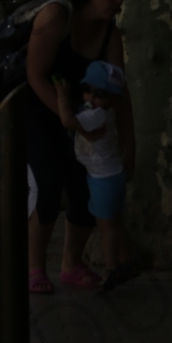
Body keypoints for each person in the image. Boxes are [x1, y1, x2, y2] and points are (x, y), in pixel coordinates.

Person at [24, 0, 132, 292]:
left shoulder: (110, 34)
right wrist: (67, 116)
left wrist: (129, 145)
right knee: (48, 185)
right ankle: (34, 268)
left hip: (79, 118)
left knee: (85, 186)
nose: (119, 2)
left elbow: (119, 90)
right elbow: (35, 74)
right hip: (39, 109)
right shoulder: (56, 16)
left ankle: (72, 263)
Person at [55, 61, 135, 292]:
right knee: (116, 223)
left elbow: (68, 121)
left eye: (100, 94)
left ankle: (111, 270)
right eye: (88, 90)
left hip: (104, 179)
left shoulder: (99, 115)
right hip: (110, 176)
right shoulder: (97, 110)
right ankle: (127, 262)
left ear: (113, 99)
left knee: (106, 225)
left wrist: (62, 96)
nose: (91, 97)